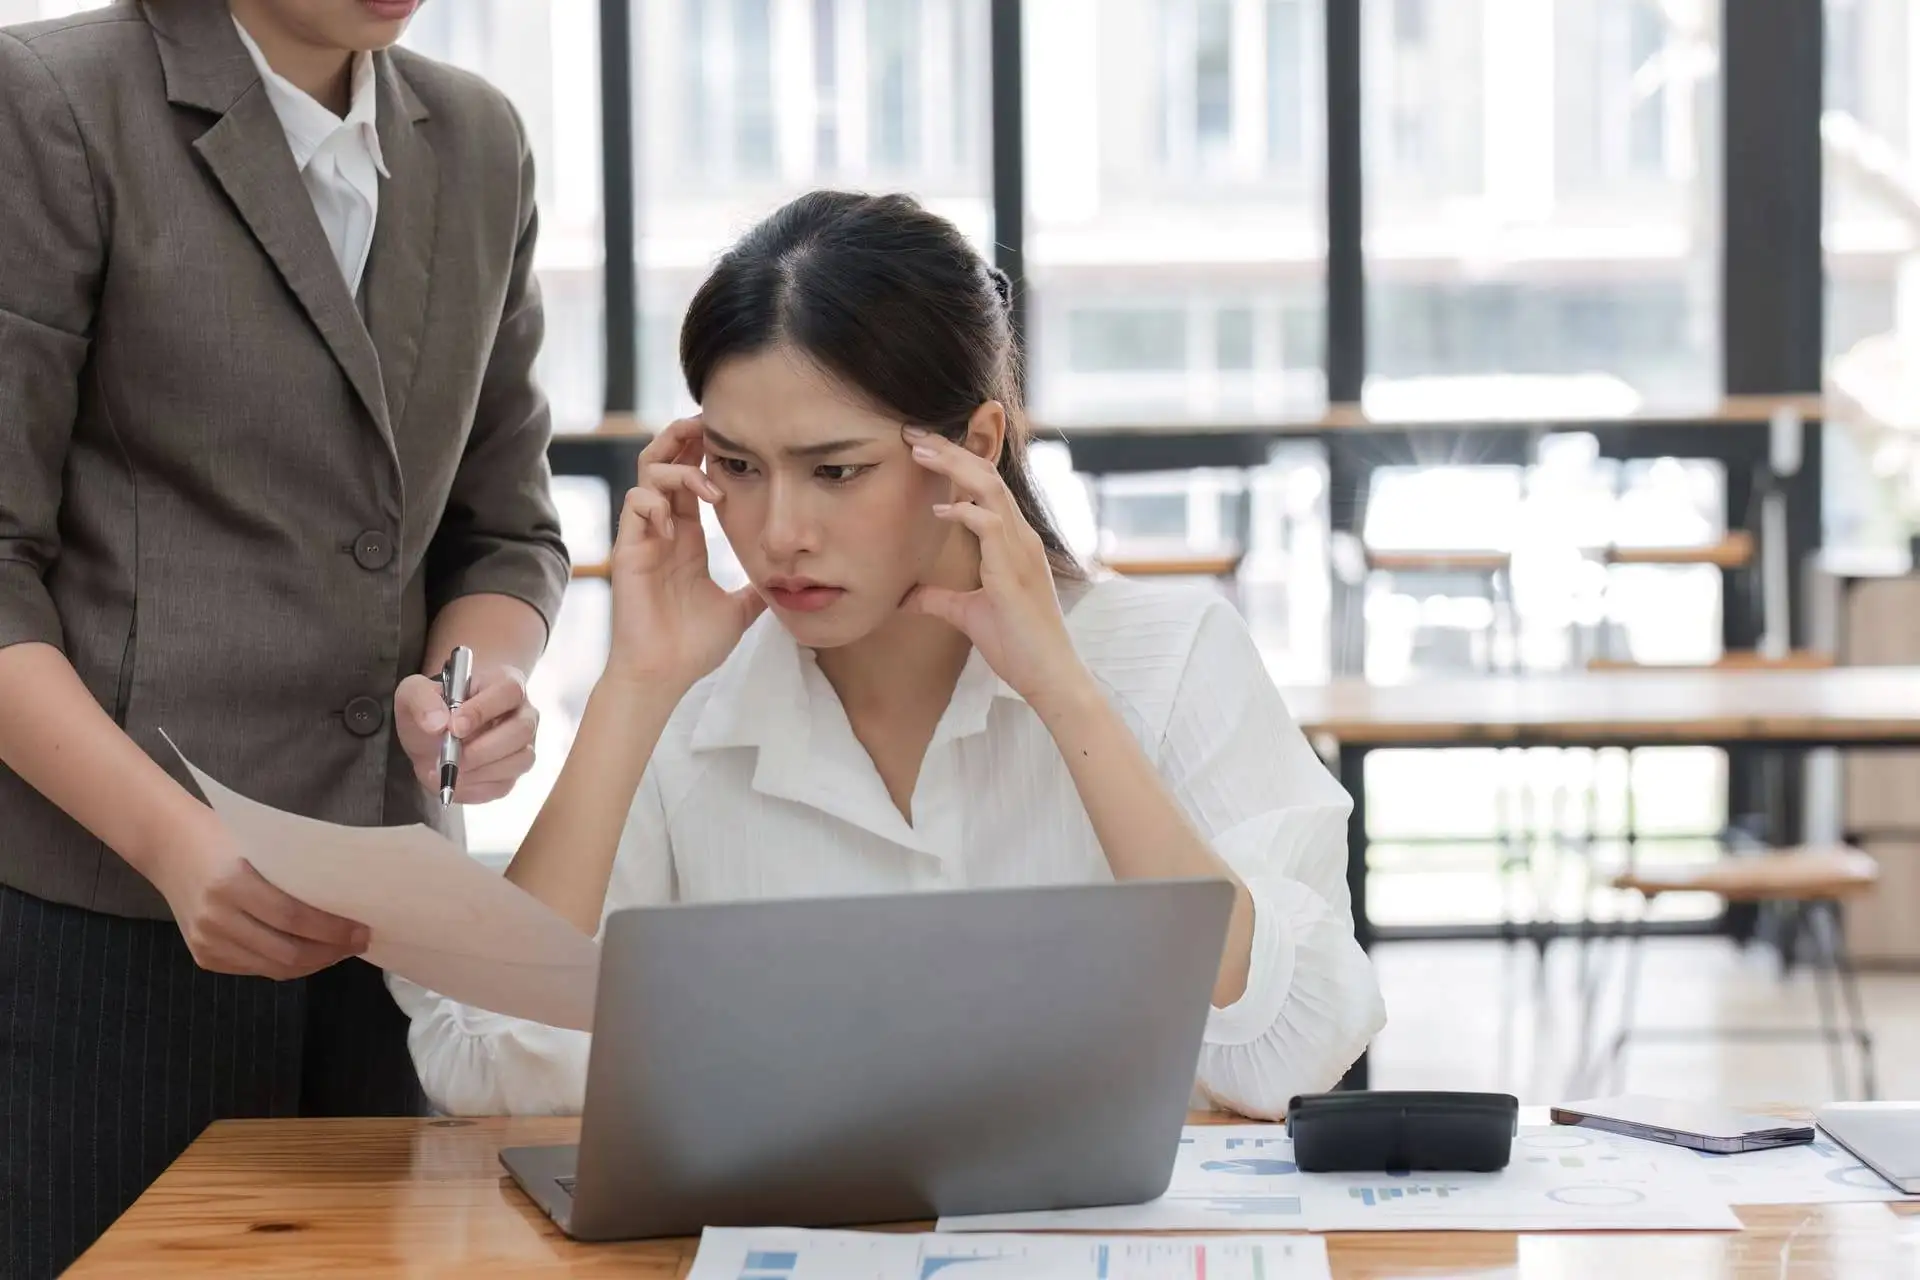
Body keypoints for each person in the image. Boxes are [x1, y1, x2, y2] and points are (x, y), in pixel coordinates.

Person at [394, 190, 1385, 1122]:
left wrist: (1066, 696)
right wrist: (633, 689)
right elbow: (491, 1060)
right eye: (735, 467)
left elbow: (1294, 1047)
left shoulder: (1167, 659)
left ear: (977, 441)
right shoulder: (688, 707)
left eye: (837, 471)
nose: (779, 530)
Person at [0, 1, 567, 1272]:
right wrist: (174, 845)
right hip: (107, 925)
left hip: (390, 924)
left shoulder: (478, 139)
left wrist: (475, 686)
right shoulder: (47, 101)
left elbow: (504, 526)